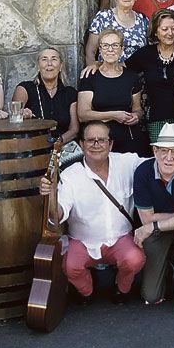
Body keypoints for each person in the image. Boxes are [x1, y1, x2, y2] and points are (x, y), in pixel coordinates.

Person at [40, 121, 146, 303]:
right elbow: (57, 215)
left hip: (120, 238)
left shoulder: (127, 162)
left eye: (101, 140)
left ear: (110, 144)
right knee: (69, 266)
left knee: (135, 259)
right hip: (83, 242)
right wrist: (51, 195)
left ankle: (121, 289)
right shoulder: (69, 175)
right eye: (90, 140)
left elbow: (156, 165)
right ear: (81, 144)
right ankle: (87, 292)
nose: (96, 145)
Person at [132, 123, 174, 317]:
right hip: (157, 230)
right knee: (151, 296)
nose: (168, 158)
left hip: (173, 229)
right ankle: (168, 267)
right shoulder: (143, 172)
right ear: (154, 151)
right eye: (163, 151)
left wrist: (156, 223)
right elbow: (147, 217)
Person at [126, 9, 174, 143]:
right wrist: (97, 65)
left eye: (173, 29)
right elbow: (121, 68)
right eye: (165, 29)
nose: (170, 33)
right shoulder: (145, 54)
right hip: (157, 118)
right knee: (162, 158)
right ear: (156, 32)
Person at [79, 29, 148, 157]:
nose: (110, 49)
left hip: (129, 140)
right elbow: (83, 114)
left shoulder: (131, 77)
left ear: (121, 49)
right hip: (99, 142)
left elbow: (138, 109)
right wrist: (114, 115)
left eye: (115, 45)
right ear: (100, 49)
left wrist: (136, 117)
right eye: (105, 45)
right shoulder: (90, 77)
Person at [13, 47, 79, 147]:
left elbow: (74, 129)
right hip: (32, 148)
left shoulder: (70, 93)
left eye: (54, 59)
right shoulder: (25, 88)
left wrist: (58, 142)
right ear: (38, 66)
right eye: (44, 59)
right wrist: (23, 115)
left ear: (61, 66)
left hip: (62, 147)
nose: (49, 63)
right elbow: (14, 118)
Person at [85, 0, 150, 65]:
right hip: (109, 73)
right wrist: (92, 72)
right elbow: (90, 51)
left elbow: (149, 51)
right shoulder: (103, 17)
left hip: (138, 75)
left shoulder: (143, 20)